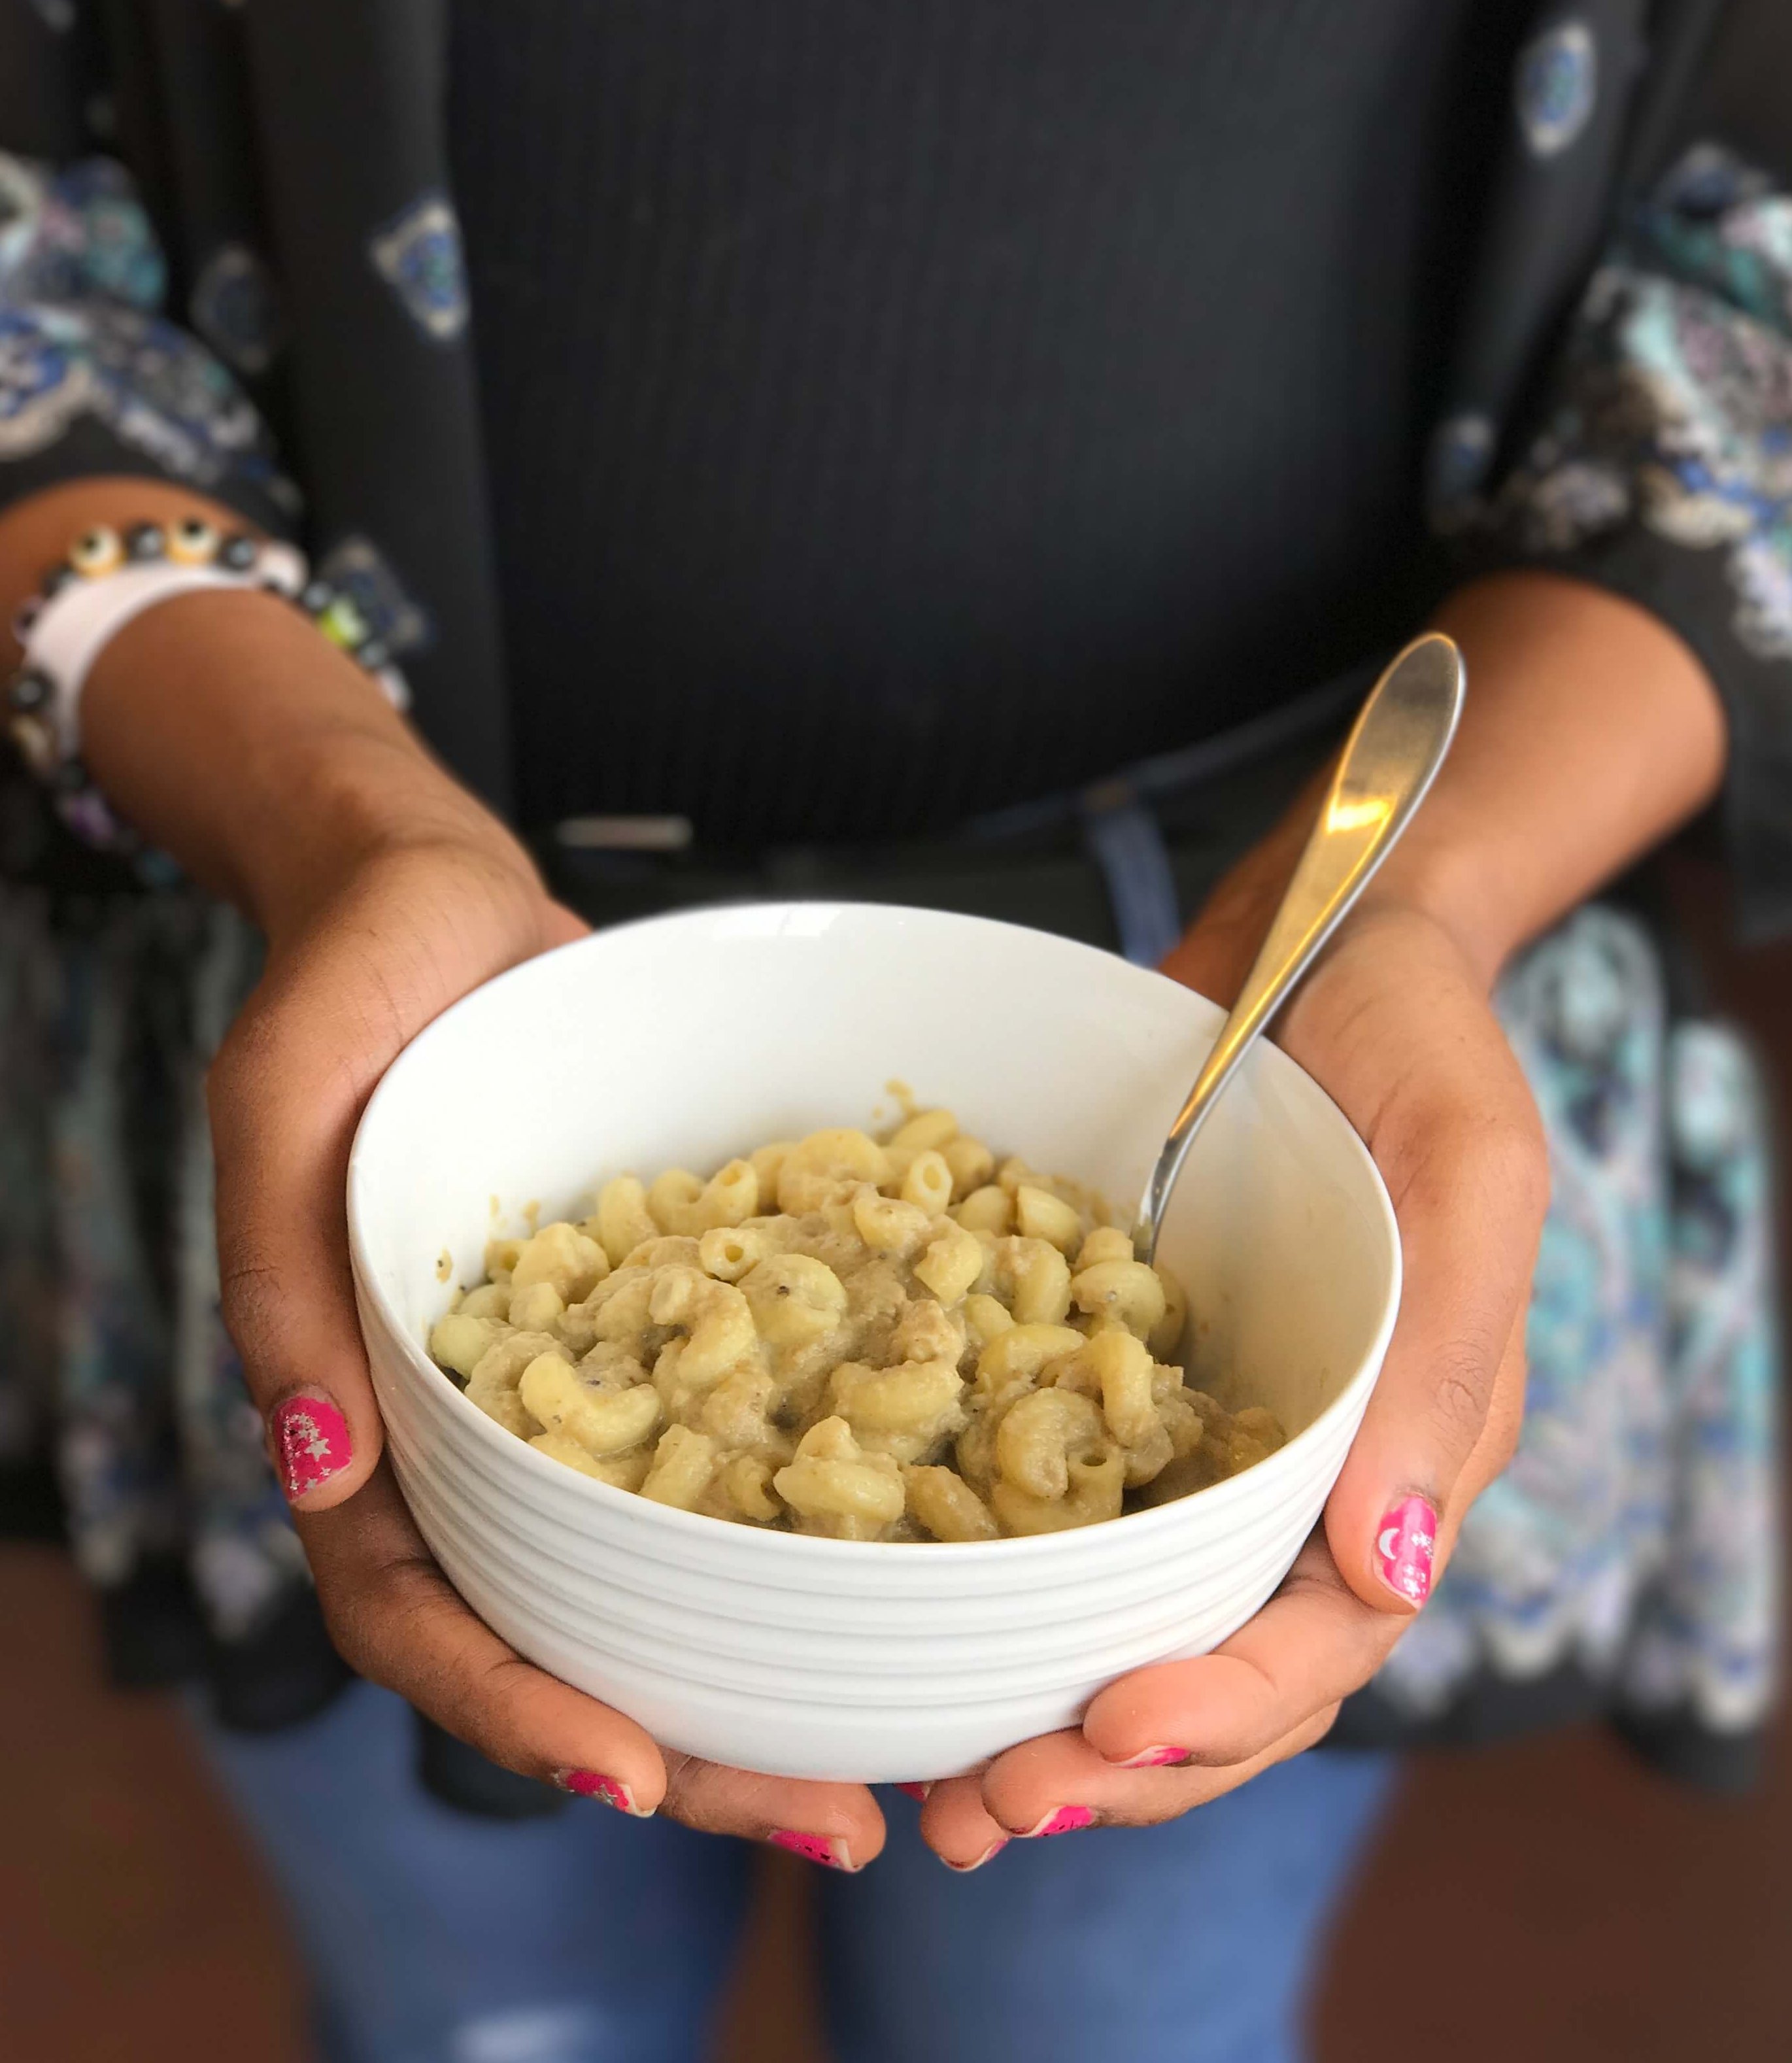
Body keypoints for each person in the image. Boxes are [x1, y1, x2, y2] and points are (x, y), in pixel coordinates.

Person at [0, 1, 1781, 2058]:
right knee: (480, 2011)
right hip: (334, 996)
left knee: (1113, 2024)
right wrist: (331, 817)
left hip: (1310, 994)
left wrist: (1431, 890)